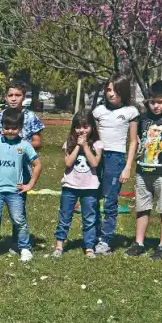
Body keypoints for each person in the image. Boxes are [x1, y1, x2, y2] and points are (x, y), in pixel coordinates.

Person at [123, 80, 162, 259]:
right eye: (152, 102)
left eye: (160, 102)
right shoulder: (142, 118)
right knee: (142, 208)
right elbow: (135, 139)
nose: (156, 106)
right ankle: (139, 243)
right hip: (143, 172)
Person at [0, 81, 45, 253]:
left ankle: (17, 243)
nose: (13, 99)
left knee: (17, 210)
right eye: (10, 95)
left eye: (17, 95)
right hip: (0, 172)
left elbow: (38, 141)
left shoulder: (31, 117)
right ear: (5, 97)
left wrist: (22, 145)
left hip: (22, 169)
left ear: (23, 97)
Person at [0, 108, 41, 262]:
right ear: (2, 127)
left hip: (16, 191)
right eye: (6, 128)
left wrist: (30, 185)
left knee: (19, 221)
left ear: (20, 128)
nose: (10, 131)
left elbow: (37, 165)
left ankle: (24, 248)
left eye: (14, 128)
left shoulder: (25, 145)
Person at [92, 75, 140, 254]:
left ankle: (105, 240)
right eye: (108, 90)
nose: (111, 94)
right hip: (98, 156)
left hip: (117, 159)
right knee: (93, 198)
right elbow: (93, 137)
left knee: (110, 201)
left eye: (116, 90)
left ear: (123, 92)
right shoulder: (98, 111)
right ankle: (94, 234)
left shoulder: (131, 112)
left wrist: (127, 167)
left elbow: (133, 142)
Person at [52, 110, 103, 259]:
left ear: (92, 127)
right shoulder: (68, 144)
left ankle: (89, 247)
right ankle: (59, 245)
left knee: (89, 218)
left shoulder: (98, 144)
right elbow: (68, 163)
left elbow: (94, 163)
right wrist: (77, 146)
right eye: (78, 127)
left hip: (89, 187)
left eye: (85, 126)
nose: (81, 130)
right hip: (70, 186)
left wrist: (85, 146)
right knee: (65, 216)